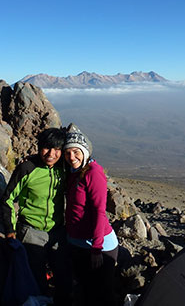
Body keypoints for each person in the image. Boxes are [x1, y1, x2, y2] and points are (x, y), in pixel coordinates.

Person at [1, 127, 71, 305]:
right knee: (36, 278)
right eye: (47, 148)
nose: (51, 154)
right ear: (39, 147)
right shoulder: (27, 168)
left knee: (64, 276)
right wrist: (10, 232)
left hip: (57, 231)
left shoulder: (64, 167)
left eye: (57, 149)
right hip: (31, 232)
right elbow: (7, 199)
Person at [63, 125, 119, 306]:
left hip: (99, 245)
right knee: (85, 292)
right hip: (77, 243)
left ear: (85, 152)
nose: (72, 157)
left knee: (102, 295)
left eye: (76, 152)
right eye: (68, 153)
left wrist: (96, 248)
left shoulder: (94, 173)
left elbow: (99, 211)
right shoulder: (72, 172)